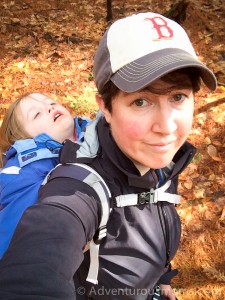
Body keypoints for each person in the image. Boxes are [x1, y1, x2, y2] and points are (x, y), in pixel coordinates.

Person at [0, 12, 217, 300]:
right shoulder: (78, 185)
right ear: (105, 107)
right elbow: (37, 261)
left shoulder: (159, 158)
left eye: (178, 97)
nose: (166, 127)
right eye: (141, 101)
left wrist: (162, 277)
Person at [0, 92, 90, 258]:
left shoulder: (100, 130)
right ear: (23, 138)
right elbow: (12, 239)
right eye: (37, 114)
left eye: (51, 102)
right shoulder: (24, 174)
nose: (49, 108)